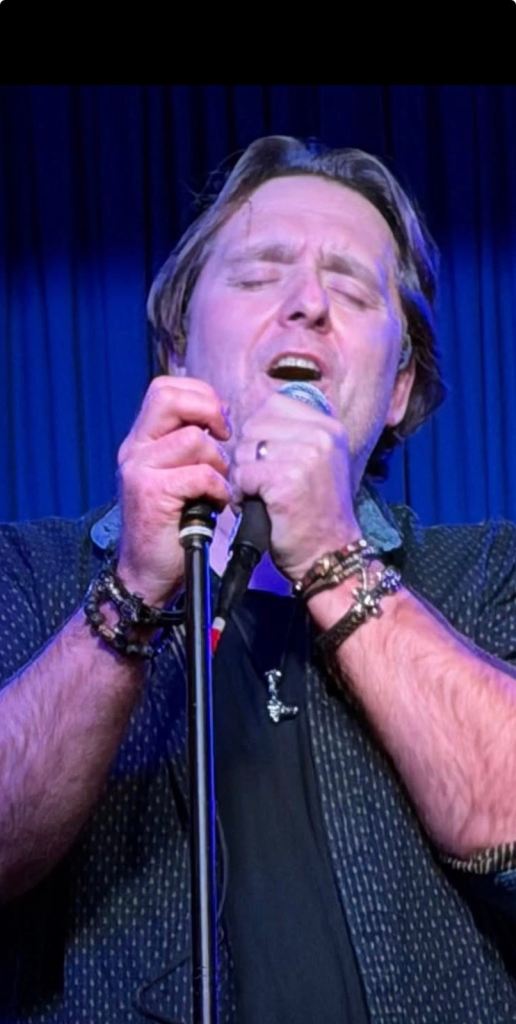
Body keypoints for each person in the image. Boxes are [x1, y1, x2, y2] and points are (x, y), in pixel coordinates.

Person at [0, 134, 515, 1024]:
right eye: (258, 275)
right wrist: (131, 594)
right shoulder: (32, 574)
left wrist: (333, 559)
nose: (307, 303)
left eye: (352, 289)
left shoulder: (485, 576)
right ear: (178, 349)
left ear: (399, 385)